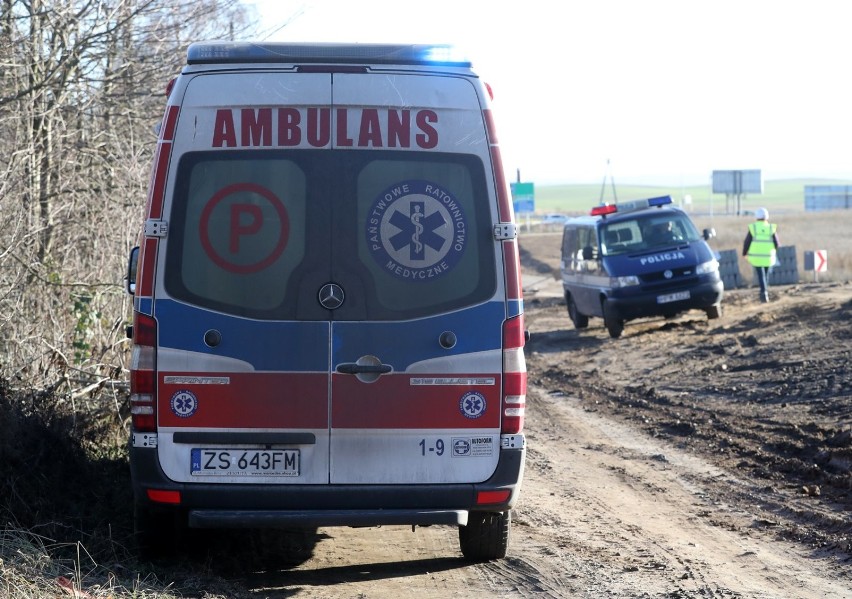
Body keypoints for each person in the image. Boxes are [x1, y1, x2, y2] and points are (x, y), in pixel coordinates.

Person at [742, 207, 780, 302]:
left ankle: (763, 293)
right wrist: (773, 251)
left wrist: (744, 253)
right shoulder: (771, 228)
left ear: (757, 217)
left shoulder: (753, 227)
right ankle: (765, 291)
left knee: (761, 275)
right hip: (768, 256)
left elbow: (747, 242)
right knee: (765, 274)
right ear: (767, 217)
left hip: (756, 257)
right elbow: (777, 243)